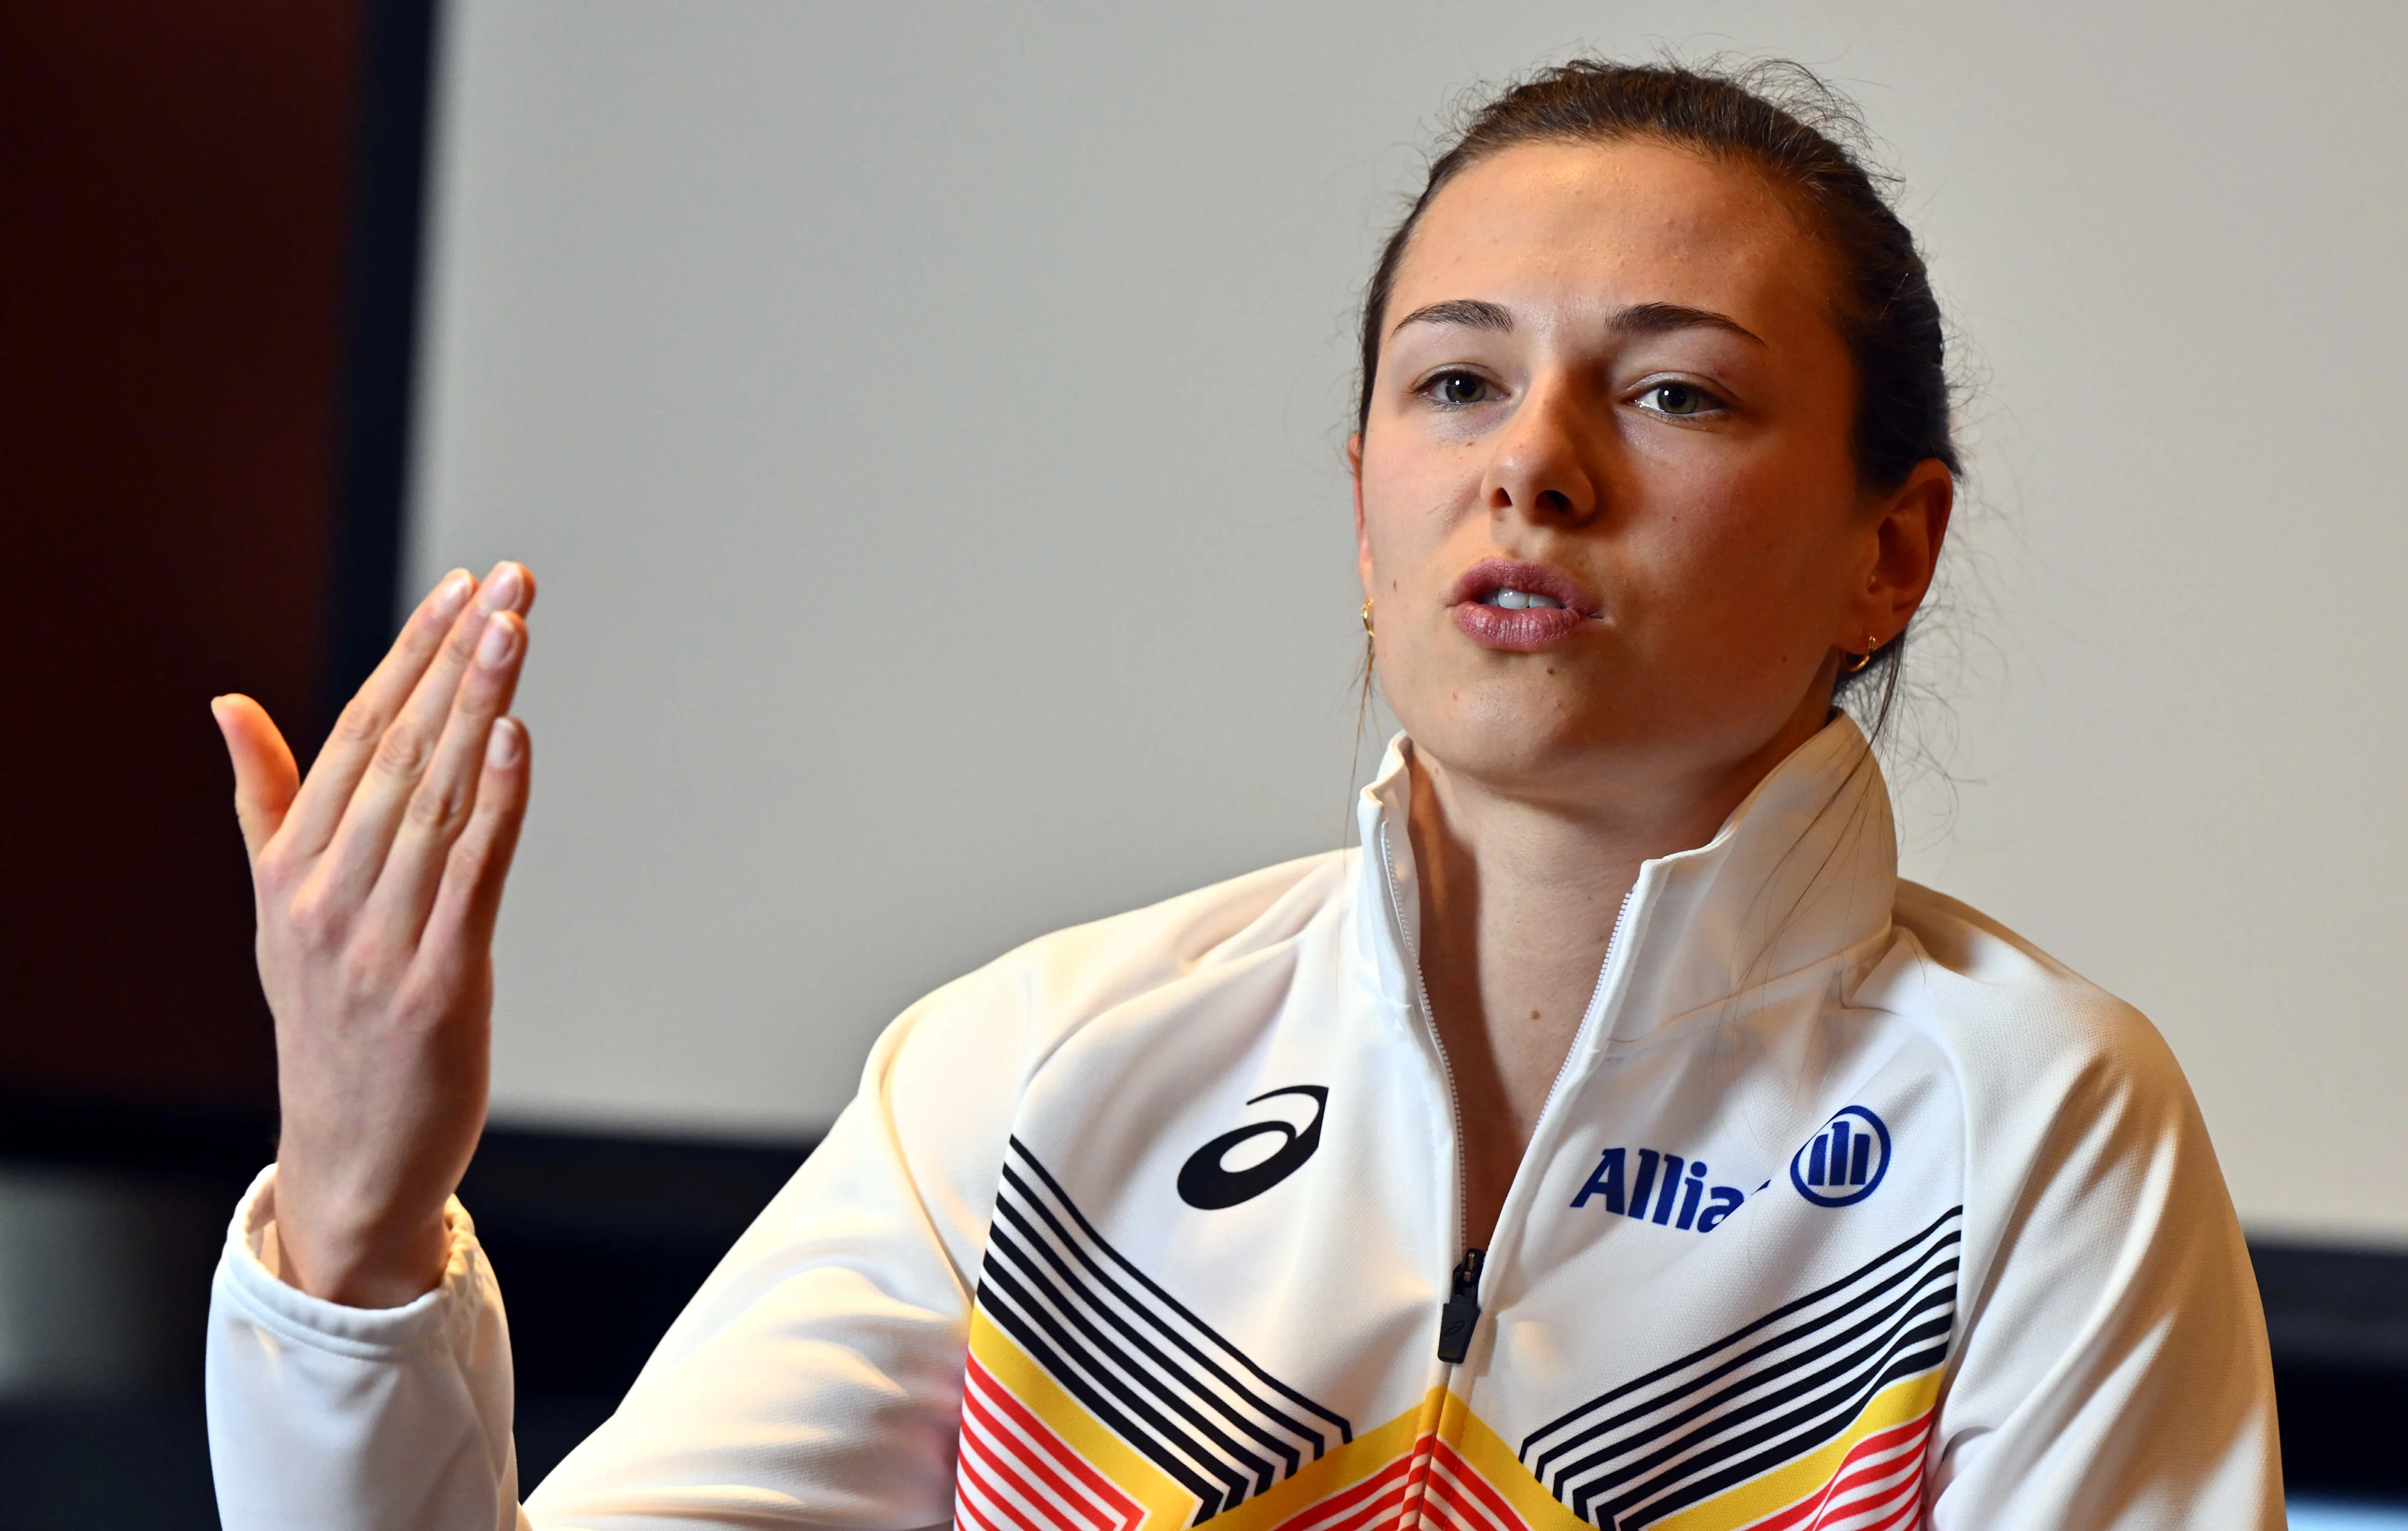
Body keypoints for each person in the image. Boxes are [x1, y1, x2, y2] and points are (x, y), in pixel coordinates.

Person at [202, 58, 2281, 1531]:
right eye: (1455, 381)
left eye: (1674, 392)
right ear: (1366, 518)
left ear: (1888, 550)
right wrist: (361, 1226)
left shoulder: (2038, 1126)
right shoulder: (1035, 1066)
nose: (1530, 469)